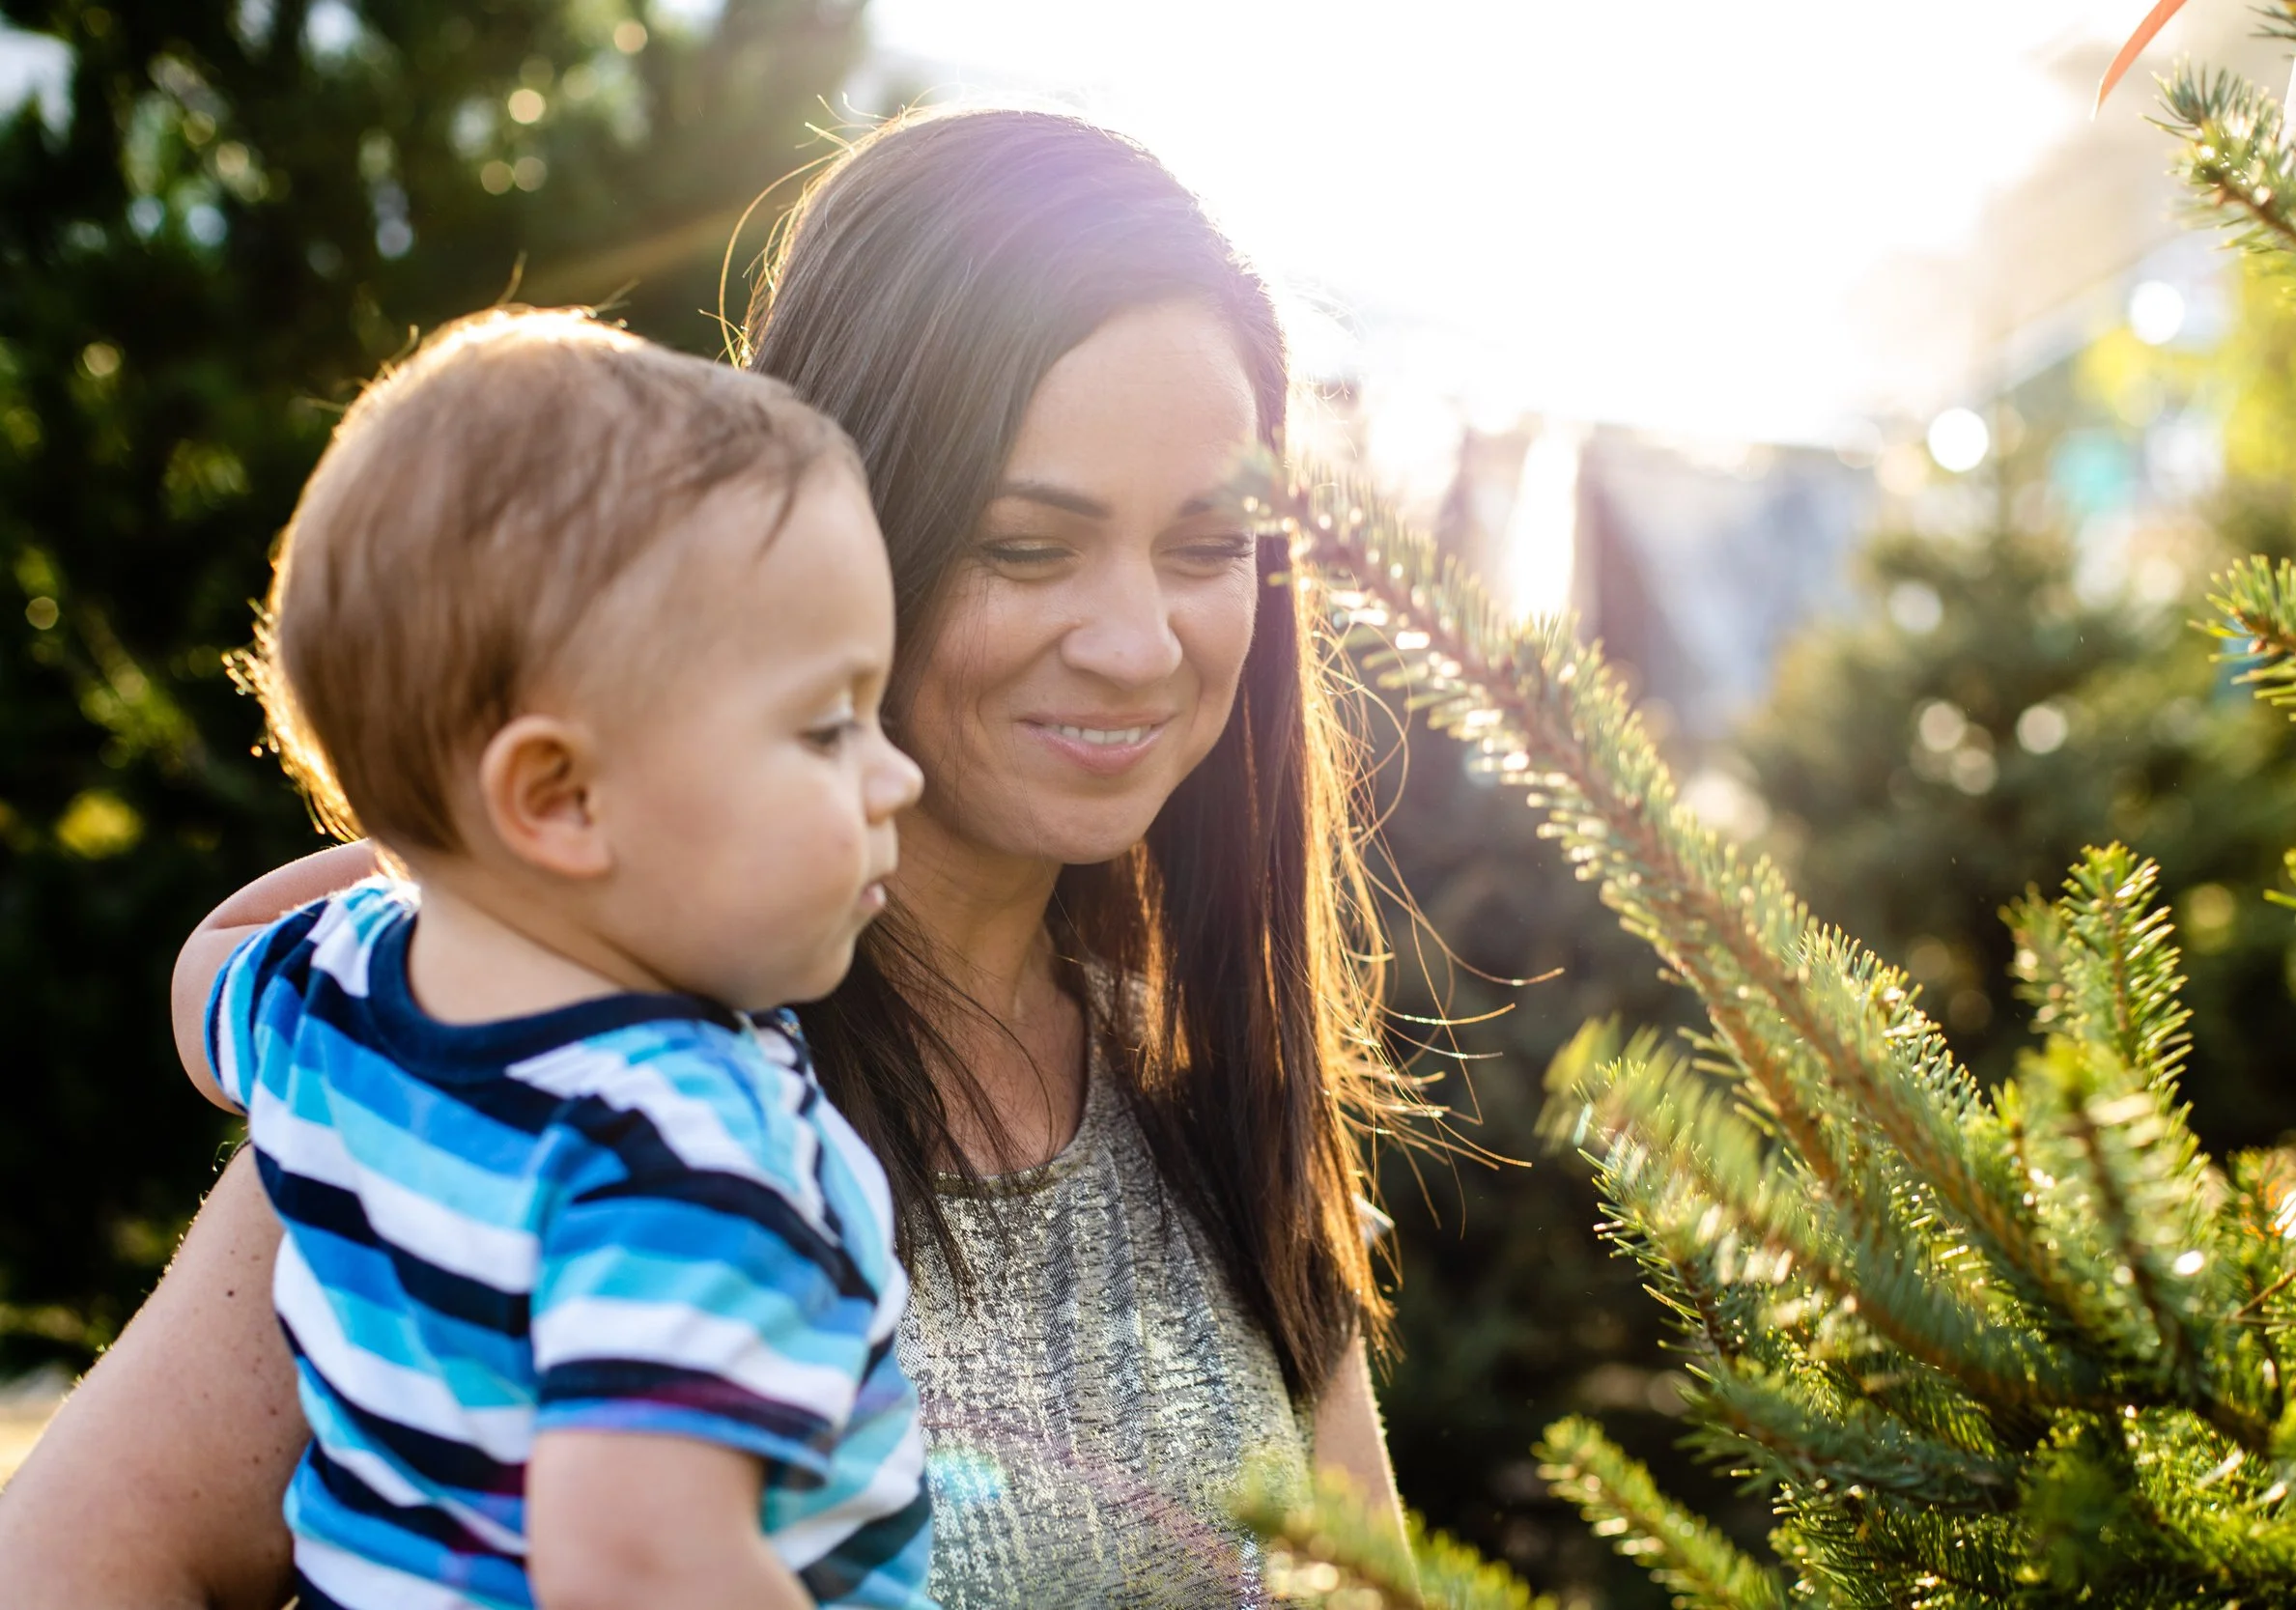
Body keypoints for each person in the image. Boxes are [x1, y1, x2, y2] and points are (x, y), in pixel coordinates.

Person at [0, 107, 1417, 1608]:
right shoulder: (520, 1051)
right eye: (1025, 546)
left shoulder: (1206, 1089)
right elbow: (73, 1560)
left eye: (1205, 547)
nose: (1141, 642)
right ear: (840, 527)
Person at [182, 309, 932, 1610]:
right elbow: (639, 1566)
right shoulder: (681, 1148)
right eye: (827, 728)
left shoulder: (330, 986)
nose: (898, 772)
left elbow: (203, 969)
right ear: (560, 798)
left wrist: (442, 856)